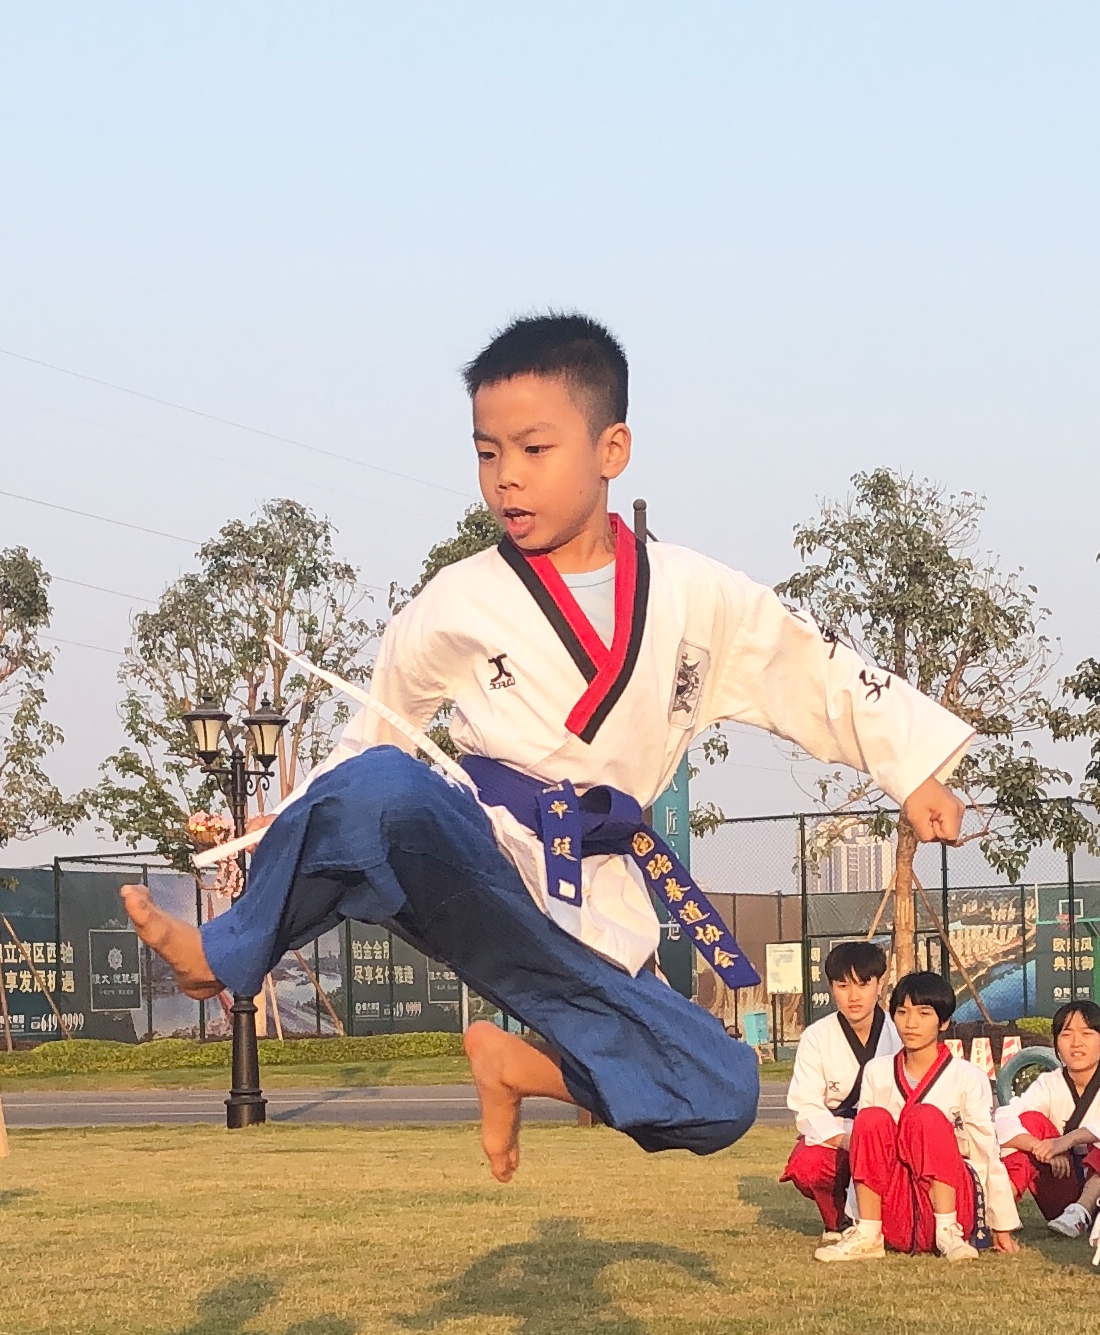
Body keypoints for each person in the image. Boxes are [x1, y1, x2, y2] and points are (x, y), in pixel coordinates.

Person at [117, 315, 974, 1182]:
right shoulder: (456, 600)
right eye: (487, 453)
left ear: (612, 449)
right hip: (473, 857)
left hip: (592, 899)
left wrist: (910, 769)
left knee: (720, 1090)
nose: (506, 480)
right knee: (381, 780)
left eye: (533, 449)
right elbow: (370, 730)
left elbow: (806, 665)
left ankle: (517, 1067)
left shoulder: (694, 595)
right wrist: (284, 827)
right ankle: (224, 952)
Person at [821, 970, 1017, 1262]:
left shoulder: (968, 1076)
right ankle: (869, 1232)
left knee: (924, 1116)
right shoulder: (877, 1071)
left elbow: (985, 1149)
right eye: (902, 1012)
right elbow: (868, 1150)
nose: (911, 1024)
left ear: (944, 1021)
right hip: (896, 1197)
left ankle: (947, 1231)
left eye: (924, 1013)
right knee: (870, 1119)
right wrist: (855, 1215)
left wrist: (1001, 1224)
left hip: (950, 1193)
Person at [997, 995, 1100, 1233]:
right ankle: (1000, 1211)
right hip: (1062, 1183)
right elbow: (1004, 1119)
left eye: (1087, 1034)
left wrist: (1068, 1140)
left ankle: (1081, 1212)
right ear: (1056, 1044)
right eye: (1066, 1035)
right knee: (1030, 1121)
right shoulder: (1048, 1083)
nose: (1076, 1043)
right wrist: (1044, 1148)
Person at [778, 939, 892, 1239]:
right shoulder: (816, 1037)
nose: (854, 996)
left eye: (863, 984)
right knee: (807, 1165)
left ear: (881, 983)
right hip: (839, 1135)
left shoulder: (899, 1032)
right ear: (831, 989)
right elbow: (807, 1105)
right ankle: (836, 1219)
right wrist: (847, 1141)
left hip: (886, 1137)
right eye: (842, 986)